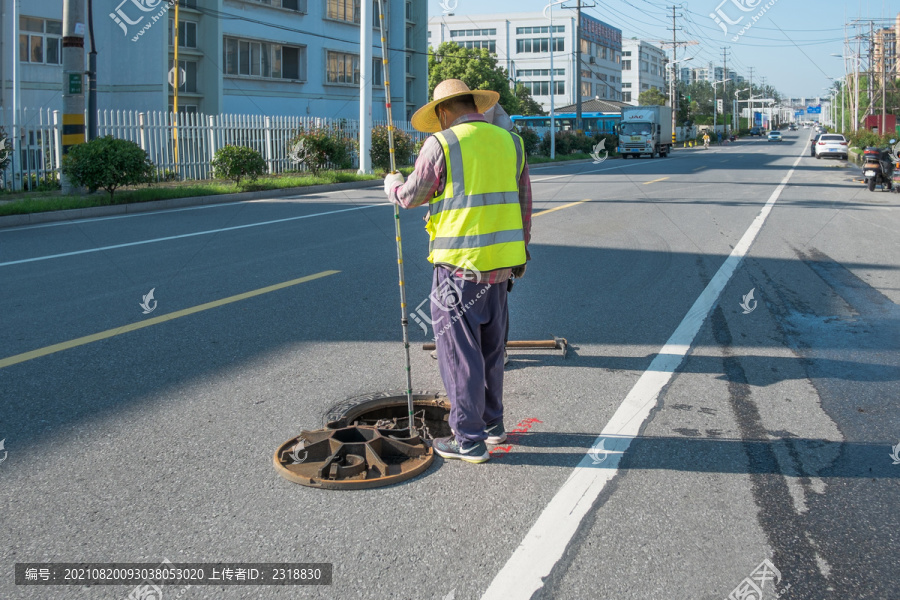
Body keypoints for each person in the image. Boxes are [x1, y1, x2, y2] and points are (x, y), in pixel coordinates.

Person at [384, 79, 532, 464]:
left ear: (444, 112)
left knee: (458, 353)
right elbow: (524, 204)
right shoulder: (511, 142)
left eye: (438, 117)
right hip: (502, 268)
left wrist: (393, 185)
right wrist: (521, 256)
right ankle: (493, 424)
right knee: (491, 349)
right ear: (475, 106)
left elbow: (413, 196)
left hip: (458, 271)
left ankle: (467, 439)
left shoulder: (443, 144)